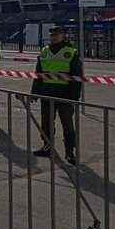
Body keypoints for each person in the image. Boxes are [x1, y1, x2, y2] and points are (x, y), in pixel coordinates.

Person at [31, 26, 83, 165]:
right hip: (47, 93)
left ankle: (70, 152)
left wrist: (74, 97)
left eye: (57, 34)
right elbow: (38, 74)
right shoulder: (45, 51)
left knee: (67, 125)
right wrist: (34, 93)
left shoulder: (71, 52)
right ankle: (47, 146)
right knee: (46, 123)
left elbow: (77, 76)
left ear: (63, 35)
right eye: (52, 34)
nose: (53, 37)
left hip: (65, 95)